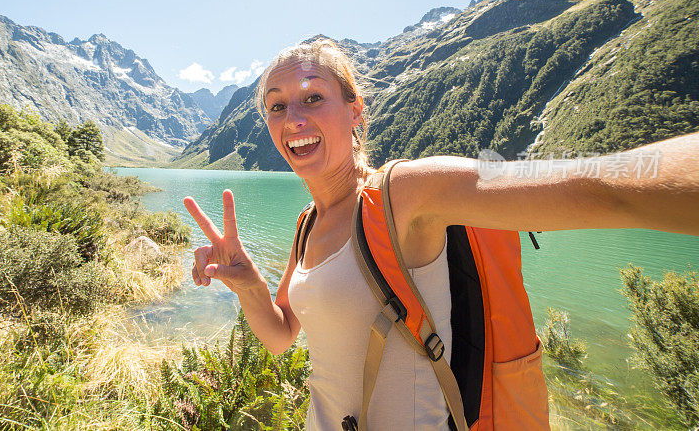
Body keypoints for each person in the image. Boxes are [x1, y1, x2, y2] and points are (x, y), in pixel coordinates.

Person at [183, 39, 699, 430]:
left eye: (312, 98)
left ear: (355, 110)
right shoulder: (307, 225)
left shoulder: (405, 195)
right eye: (276, 105)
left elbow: (599, 187)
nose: (292, 118)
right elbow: (281, 336)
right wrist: (251, 285)